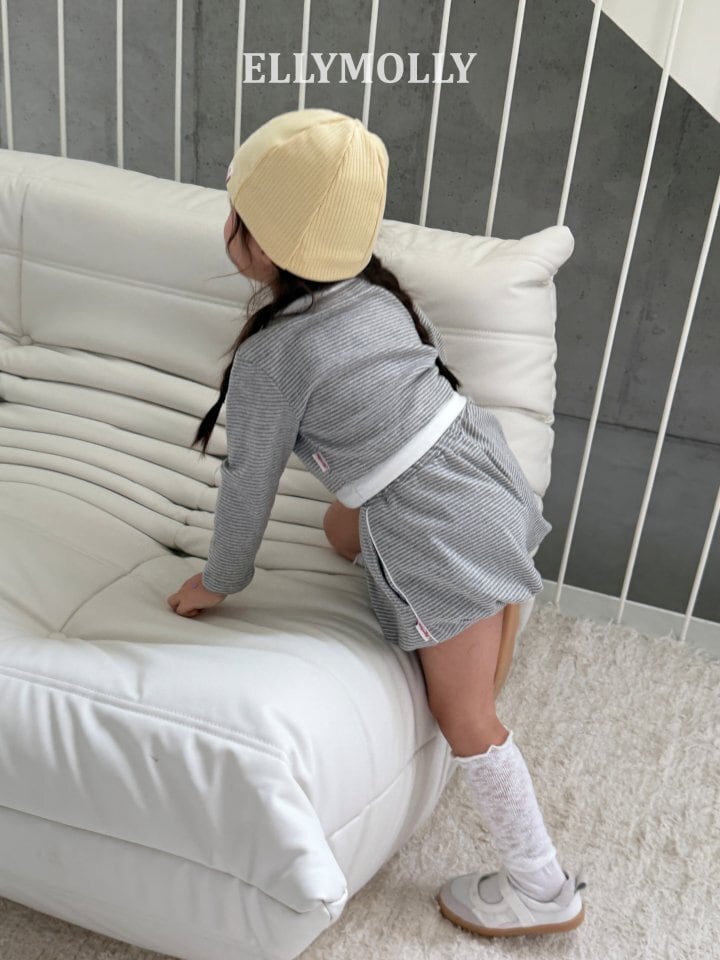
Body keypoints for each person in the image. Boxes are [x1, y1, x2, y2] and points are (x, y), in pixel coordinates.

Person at [166, 107, 586, 937]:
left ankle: (541, 886)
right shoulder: (375, 295)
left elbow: (248, 486)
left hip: (441, 532)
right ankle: (486, 599)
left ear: (258, 242)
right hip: (480, 473)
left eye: (237, 211)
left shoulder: (273, 355)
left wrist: (219, 580)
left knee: (467, 719)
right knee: (340, 528)